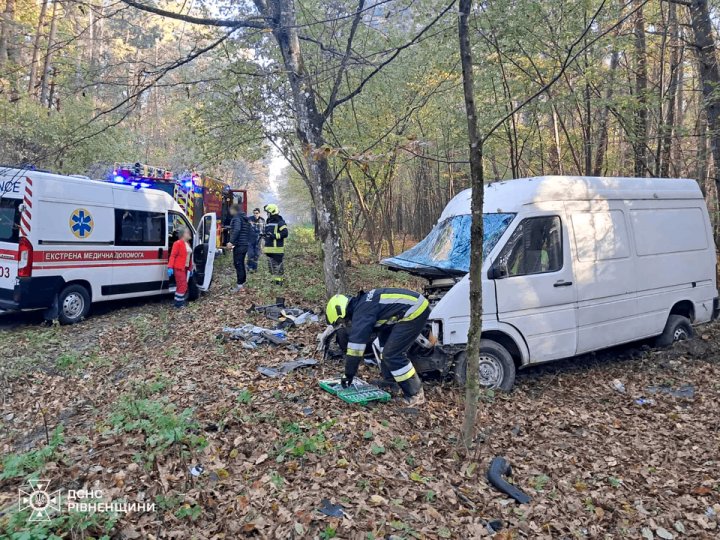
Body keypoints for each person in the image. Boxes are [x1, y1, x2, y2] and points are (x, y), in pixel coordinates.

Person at [325, 288, 430, 406]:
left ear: (341, 311)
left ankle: (415, 393)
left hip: (414, 310)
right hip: (401, 312)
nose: (344, 323)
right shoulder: (362, 304)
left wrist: (348, 375)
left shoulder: (361, 312)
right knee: (384, 350)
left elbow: (355, 349)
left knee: (392, 354)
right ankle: (391, 382)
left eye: (341, 321)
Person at [226, 204, 251, 292]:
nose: (230, 211)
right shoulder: (244, 218)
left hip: (240, 245)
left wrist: (231, 242)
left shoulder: (237, 218)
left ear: (234, 210)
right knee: (240, 263)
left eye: (231, 209)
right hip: (245, 244)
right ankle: (242, 283)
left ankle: (240, 286)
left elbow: (237, 230)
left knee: (238, 264)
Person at [263, 203, 288, 286]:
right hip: (269, 249)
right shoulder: (269, 221)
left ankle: (279, 283)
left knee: (278, 268)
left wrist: (274, 236)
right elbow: (268, 233)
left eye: (268, 212)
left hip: (277, 249)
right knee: (271, 268)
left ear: (272, 212)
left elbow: (285, 233)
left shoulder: (280, 221)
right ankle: (274, 282)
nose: (267, 214)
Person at [168, 227, 193, 308]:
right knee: (183, 286)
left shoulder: (188, 244)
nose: (189, 233)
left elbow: (189, 257)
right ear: (182, 234)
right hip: (179, 268)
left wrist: (190, 268)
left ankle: (177, 303)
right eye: (187, 232)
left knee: (181, 286)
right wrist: (170, 267)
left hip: (185, 268)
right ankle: (179, 304)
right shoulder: (177, 243)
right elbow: (172, 256)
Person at [247, 208, 265, 273]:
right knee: (250, 254)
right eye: (254, 213)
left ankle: (255, 268)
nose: (255, 214)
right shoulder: (249, 219)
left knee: (257, 255)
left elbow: (264, 230)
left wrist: (265, 239)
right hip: (250, 240)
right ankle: (249, 267)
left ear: (259, 213)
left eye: (257, 213)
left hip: (259, 241)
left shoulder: (262, 220)